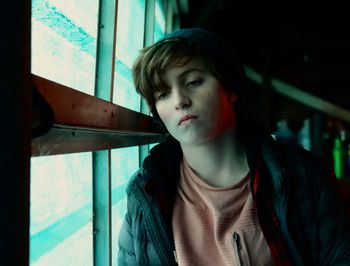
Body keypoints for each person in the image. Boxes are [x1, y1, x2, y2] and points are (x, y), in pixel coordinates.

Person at [117, 28, 350, 266]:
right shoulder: (146, 193)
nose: (179, 101)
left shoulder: (303, 176)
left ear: (230, 90)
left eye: (193, 82)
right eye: (163, 94)